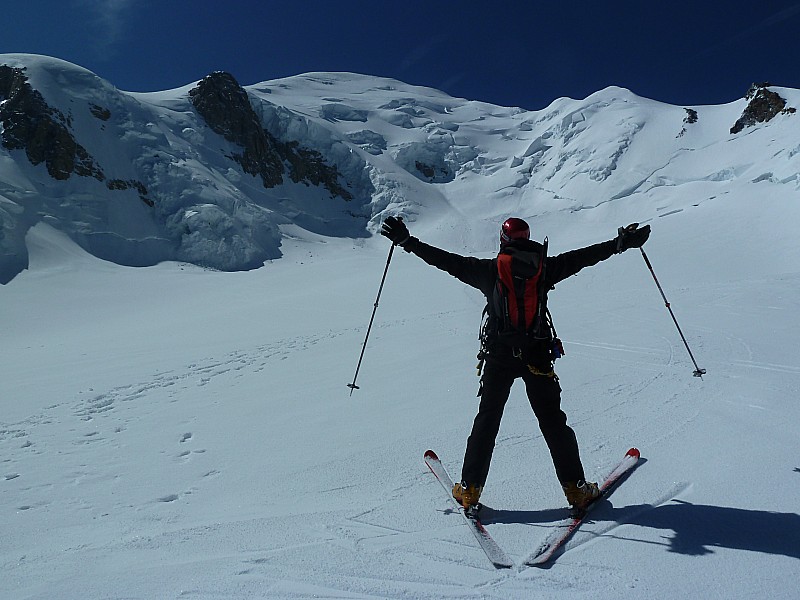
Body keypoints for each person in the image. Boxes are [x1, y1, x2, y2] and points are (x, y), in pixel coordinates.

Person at [380, 215, 650, 514]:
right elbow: (581, 258)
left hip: (499, 357)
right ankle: (576, 490)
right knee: (553, 423)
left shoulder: (489, 271)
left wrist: (408, 242)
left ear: (503, 240)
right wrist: (619, 244)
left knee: (488, 420)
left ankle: (469, 489)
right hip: (538, 357)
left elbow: (447, 262)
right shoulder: (545, 268)